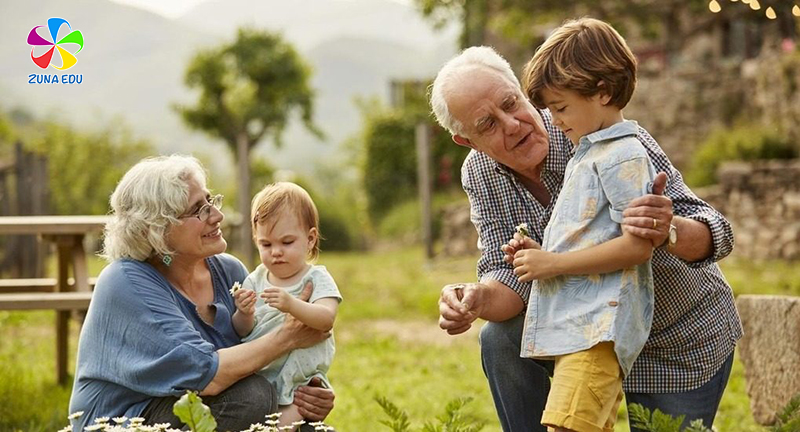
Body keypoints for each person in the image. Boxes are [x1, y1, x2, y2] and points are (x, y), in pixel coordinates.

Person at [430, 45, 742, 431]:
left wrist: (668, 230)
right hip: (582, 335)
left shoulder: (604, 134)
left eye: (511, 104)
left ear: (522, 90)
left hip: (672, 333)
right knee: (500, 339)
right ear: (468, 141)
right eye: (488, 124)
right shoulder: (480, 173)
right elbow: (507, 274)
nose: (511, 125)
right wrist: (477, 298)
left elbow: (717, 233)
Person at [68, 155, 335, 432]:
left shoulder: (229, 271)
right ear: (158, 229)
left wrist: (308, 393)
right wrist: (288, 337)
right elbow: (208, 375)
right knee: (251, 397)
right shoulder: (125, 282)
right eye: (199, 210)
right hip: (129, 420)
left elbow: (258, 352)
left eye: (211, 201)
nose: (217, 216)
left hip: (206, 405)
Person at [506, 18, 658, 432]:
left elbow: (638, 246)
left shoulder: (624, 155)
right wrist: (535, 253)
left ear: (603, 92)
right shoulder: (588, 152)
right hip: (579, 329)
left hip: (598, 330)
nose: (554, 121)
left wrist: (551, 264)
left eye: (561, 107)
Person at [232, 182, 341, 430]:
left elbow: (326, 319)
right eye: (266, 245)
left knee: (279, 427)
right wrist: (244, 313)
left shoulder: (316, 278)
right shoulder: (254, 279)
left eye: (287, 242)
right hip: (261, 376)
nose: (276, 252)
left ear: (310, 239)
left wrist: (292, 304)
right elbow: (242, 332)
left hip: (300, 382)